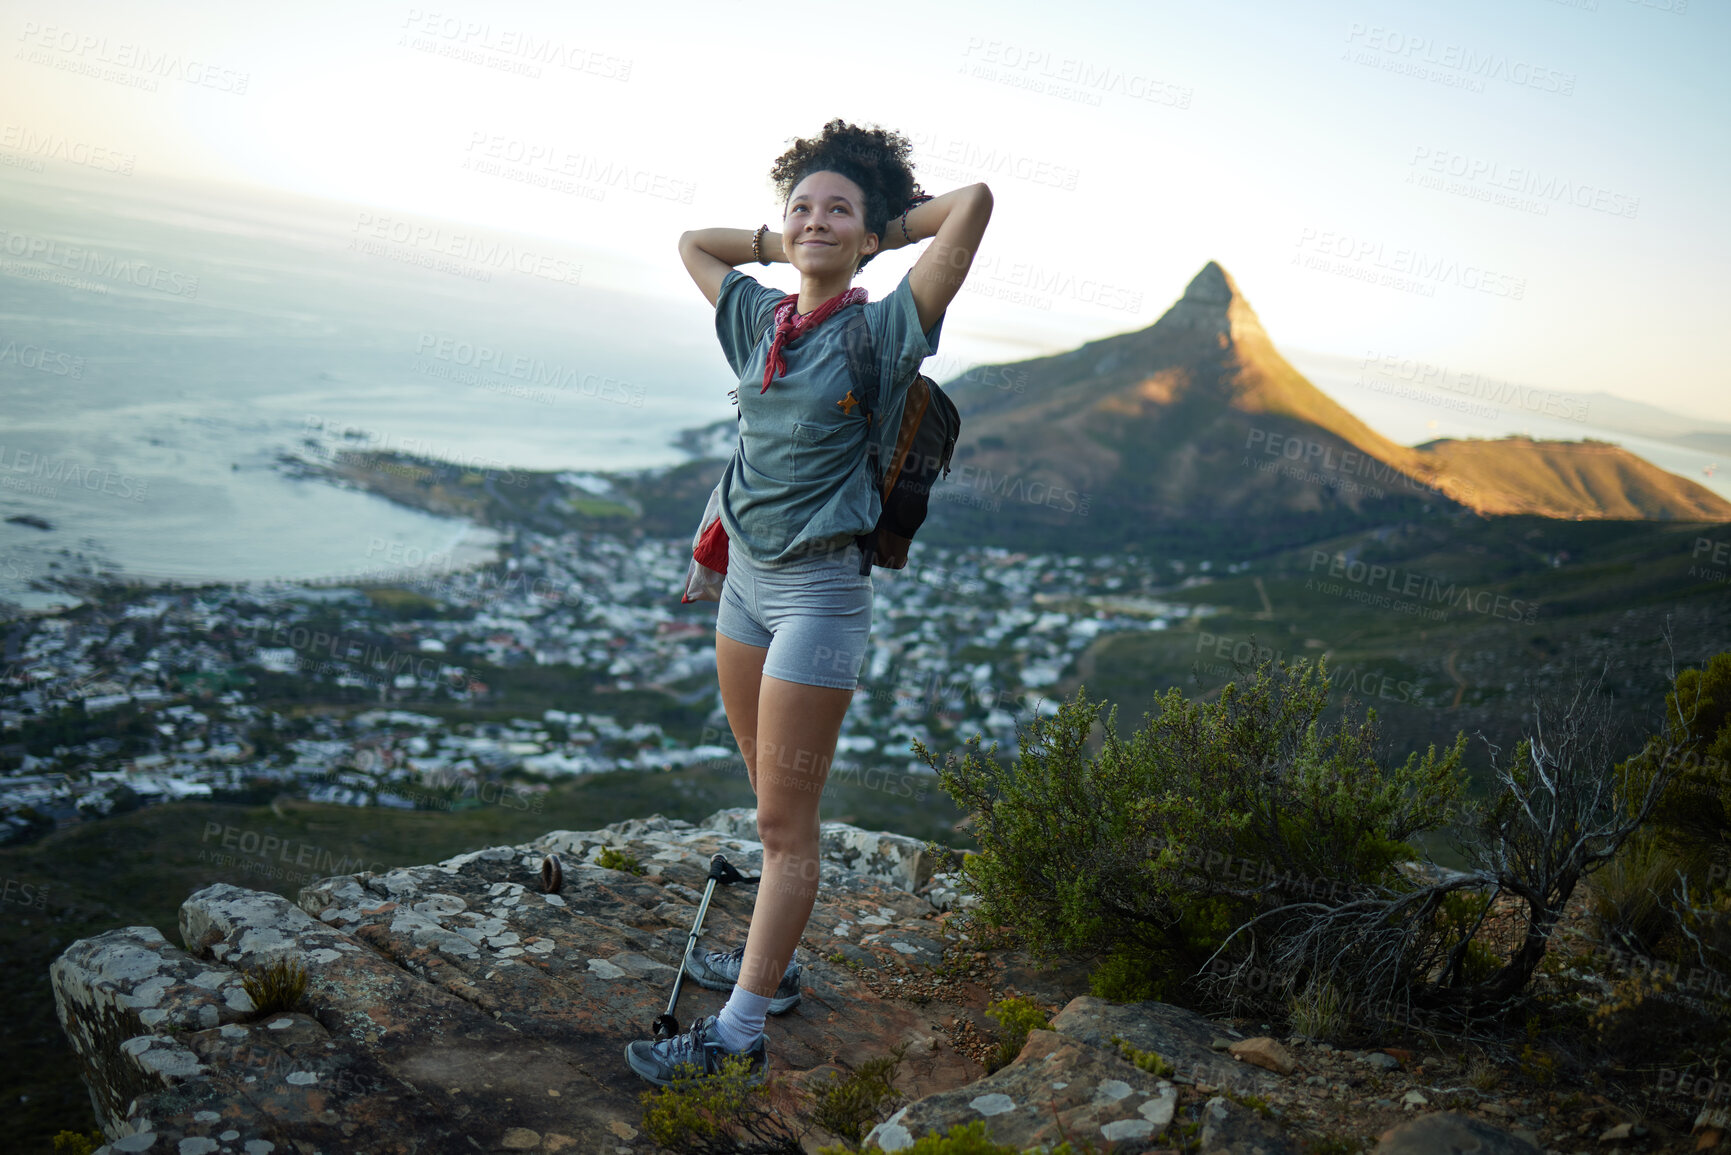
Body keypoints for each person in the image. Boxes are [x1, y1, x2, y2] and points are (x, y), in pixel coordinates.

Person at [624, 119, 992, 1086]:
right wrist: (780, 239)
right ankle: (771, 966)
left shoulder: (885, 328)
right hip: (742, 581)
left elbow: (974, 204)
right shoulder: (757, 319)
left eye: (838, 210)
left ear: (872, 234)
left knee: (788, 825)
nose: (813, 220)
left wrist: (884, 227)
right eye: (801, 208)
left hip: (819, 593)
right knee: (765, 801)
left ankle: (739, 1031)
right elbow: (691, 246)